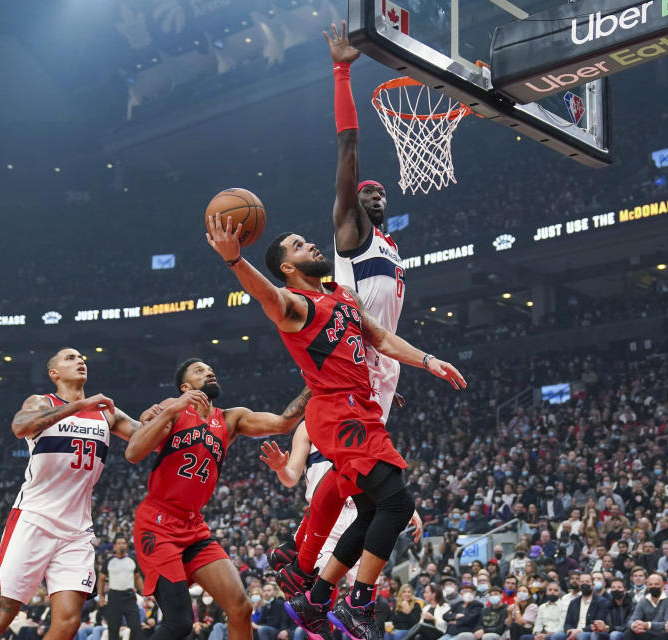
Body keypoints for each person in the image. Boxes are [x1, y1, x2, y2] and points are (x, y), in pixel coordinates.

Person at [206, 190, 464, 640]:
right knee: (398, 504)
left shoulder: (340, 294)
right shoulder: (294, 306)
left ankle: (316, 596)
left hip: (356, 407)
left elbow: (381, 339)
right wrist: (235, 262)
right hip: (339, 415)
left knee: (370, 512)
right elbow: (265, 295)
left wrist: (427, 361)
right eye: (301, 246)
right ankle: (358, 601)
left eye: (309, 241)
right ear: (288, 267)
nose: (313, 246)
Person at [264, 14, 413, 601]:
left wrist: (396, 369)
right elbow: (348, 146)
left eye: (379, 190)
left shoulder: (393, 248)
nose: (369, 192)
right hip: (352, 376)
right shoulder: (350, 235)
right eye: (363, 189)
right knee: (384, 498)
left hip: (372, 368)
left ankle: (308, 572)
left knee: (375, 496)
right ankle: (313, 573)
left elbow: (378, 330)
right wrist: (341, 71)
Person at [125, 359, 310, 640]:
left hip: (193, 527)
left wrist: (314, 385)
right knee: (179, 623)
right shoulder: (172, 409)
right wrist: (173, 407)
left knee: (240, 608)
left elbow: (283, 423)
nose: (209, 372)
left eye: (210, 369)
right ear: (185, 387)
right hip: (158, 524)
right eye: (199, 371)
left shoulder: (229, 419)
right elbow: (133, 452)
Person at [0, 347, 146, 640]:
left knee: (68, 623)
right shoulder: (42, 402)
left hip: (77, 531)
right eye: (70, 358)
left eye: (82, 358)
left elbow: (149, 438)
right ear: (53, 373)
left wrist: (166, 413)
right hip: (33, 520)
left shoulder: (107, 413)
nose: (80, 361)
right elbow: (20, 427)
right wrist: (78, 406)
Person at [98, 536, 144, 640]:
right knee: (113, 629)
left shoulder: (132, 560)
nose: (121, 545)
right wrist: (101, 596)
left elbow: (137, 578)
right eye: (119, 543)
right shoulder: (108, 561)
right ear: (114, 546)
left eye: (123, 543)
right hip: (114, 597)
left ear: (126, 545)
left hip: (129, 597)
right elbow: (101, 579)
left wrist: (144, 592)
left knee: (136, 627)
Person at [552, 573, 611, 640]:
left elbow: (597, 623)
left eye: (587, 582)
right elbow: (567, 623)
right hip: (573, 631)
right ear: (579, 585)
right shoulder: (573, 602)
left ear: (593, 585)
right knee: (556, 636)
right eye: (582, 582)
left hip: (589, 632)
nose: (584, 584)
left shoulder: (601, 601)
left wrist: (579, 631)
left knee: (582, 636)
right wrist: (569, 631)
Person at [625, 574, 668, 640]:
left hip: (662, 633)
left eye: (656, 584)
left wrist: (648, 625)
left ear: (662, 586)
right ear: (647, 587)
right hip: (647, 632)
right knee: (628, 633)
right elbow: (632, 620)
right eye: (650, 584)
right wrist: (634, 625)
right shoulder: (643, 600)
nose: (653, 586)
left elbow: (667, 624)